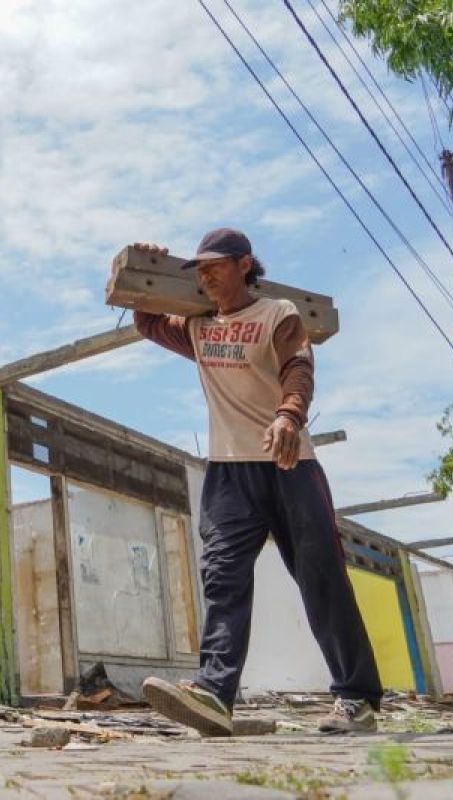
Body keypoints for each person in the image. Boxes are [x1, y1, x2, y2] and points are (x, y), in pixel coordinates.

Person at [134, 228, 382, 736]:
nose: (205, 277)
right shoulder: (198, 327)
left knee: (321, 579)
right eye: (198, 270)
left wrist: (289, 416)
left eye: (214, 267)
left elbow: (298, 366)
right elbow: (148, 321)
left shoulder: (277, 313)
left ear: (244, 265)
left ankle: (357, 699)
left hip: (288, 462)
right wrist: (148, 267)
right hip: (228, 471)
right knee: (222, 576)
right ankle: (214, 694)